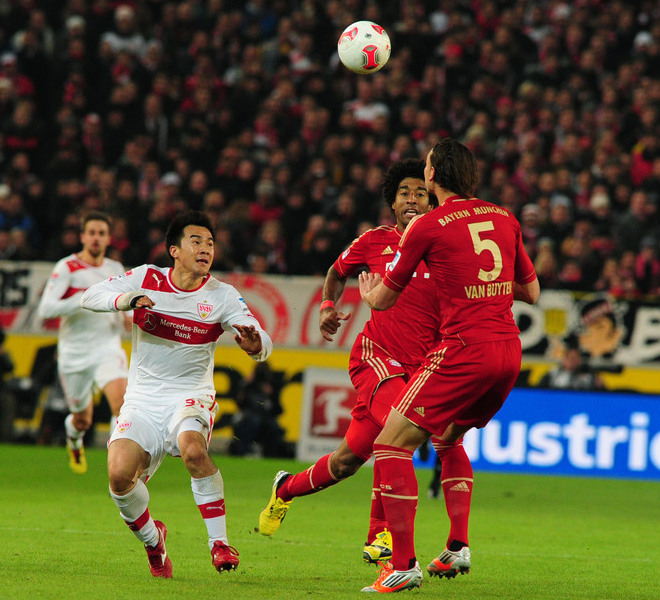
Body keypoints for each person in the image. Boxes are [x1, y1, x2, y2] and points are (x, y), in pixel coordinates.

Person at [259, 158, 474, 568]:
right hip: (377, 357)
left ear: (432, 201)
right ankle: (381, 536)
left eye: (420, 193)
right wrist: (327, 306)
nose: (412, 199)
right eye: (404, 193)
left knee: (345, 462)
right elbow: (336, 272)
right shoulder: (374, 241)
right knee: (396, 430)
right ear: (392, 202)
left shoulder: (445, 245)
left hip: (423, 368)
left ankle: (285, 488)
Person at [358, 138, 539, 593]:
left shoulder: (427, 225)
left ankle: (403, 565)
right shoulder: (504, 217)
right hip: (508, 353)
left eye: (426, 167)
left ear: (433, 174)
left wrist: (367, 293)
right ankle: (458, 546)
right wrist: (484, 286)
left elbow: (384, 299)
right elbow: (532, 292)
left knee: (389, 444)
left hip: (463, 350)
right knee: (448, 437)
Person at [80, 210, 272, 578]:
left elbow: (261, 339)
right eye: (196, 241)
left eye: (210, 243)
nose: (205, 249)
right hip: (142, 400)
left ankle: (219, 543)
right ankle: (154, 542)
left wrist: (256, 345)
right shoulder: (146, 278)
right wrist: (128, 300)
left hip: (191, 395)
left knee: (193, 449)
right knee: (119, 477)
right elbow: (91, 295)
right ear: (175, 250)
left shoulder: (222, 295)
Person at [37, 211, 129, 474]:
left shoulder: (115, 269)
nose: (96, 238)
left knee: (122, 405)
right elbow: (46, 309)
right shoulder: (67, 267)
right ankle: (74, 440)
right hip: (75, 353)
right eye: (91, 233)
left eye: (101, 233)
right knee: (82, 420)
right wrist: (84, 299)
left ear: (109, 238)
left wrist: (128, 317)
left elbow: (122, 306)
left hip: (107, 347)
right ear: (82, 237)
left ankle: (117, 465)